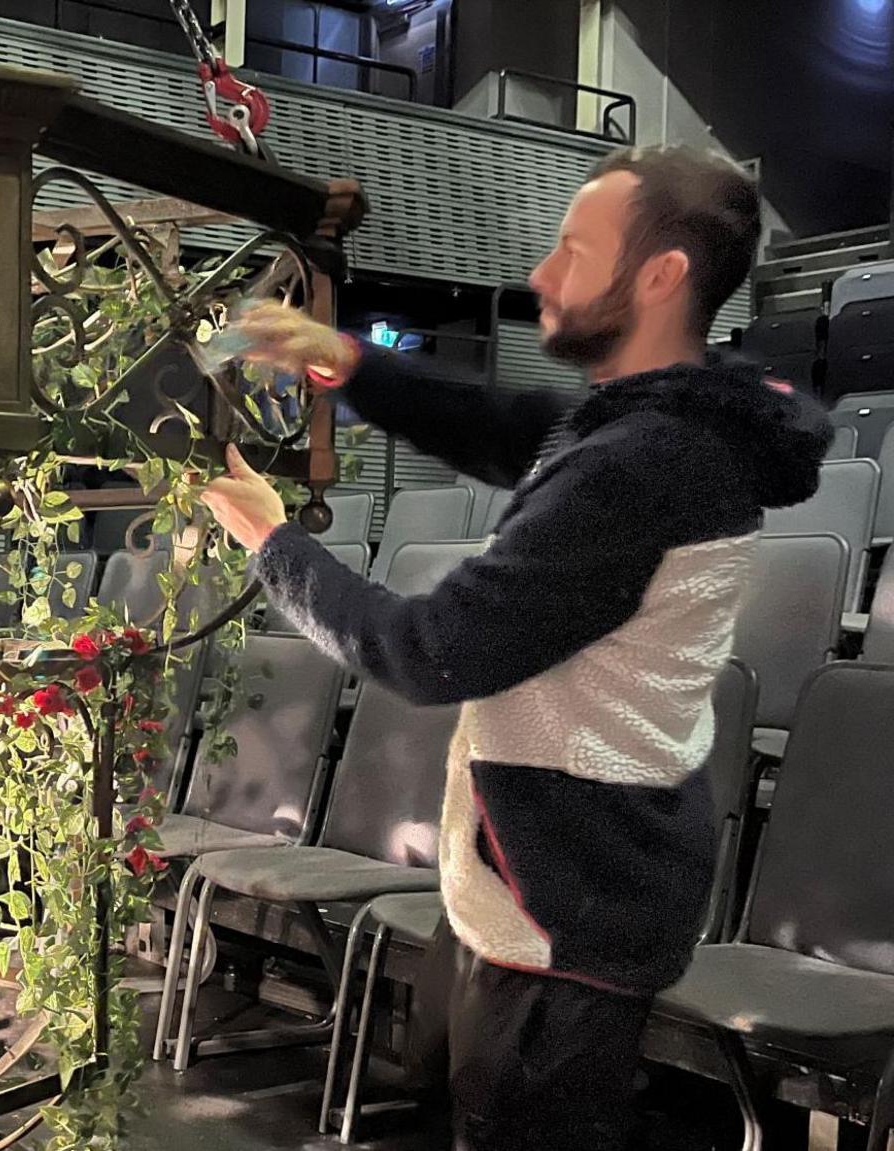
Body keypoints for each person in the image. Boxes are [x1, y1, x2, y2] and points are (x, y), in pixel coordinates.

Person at [199, 146, 832, 1149]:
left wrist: (270, 543)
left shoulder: (647, 460)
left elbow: (425, 652)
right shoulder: (649, 426)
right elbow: (506, 425)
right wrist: (349, 363)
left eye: (570, 250)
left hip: (565, 902)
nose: (538, 273)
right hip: (565, 877)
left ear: (659, 275)